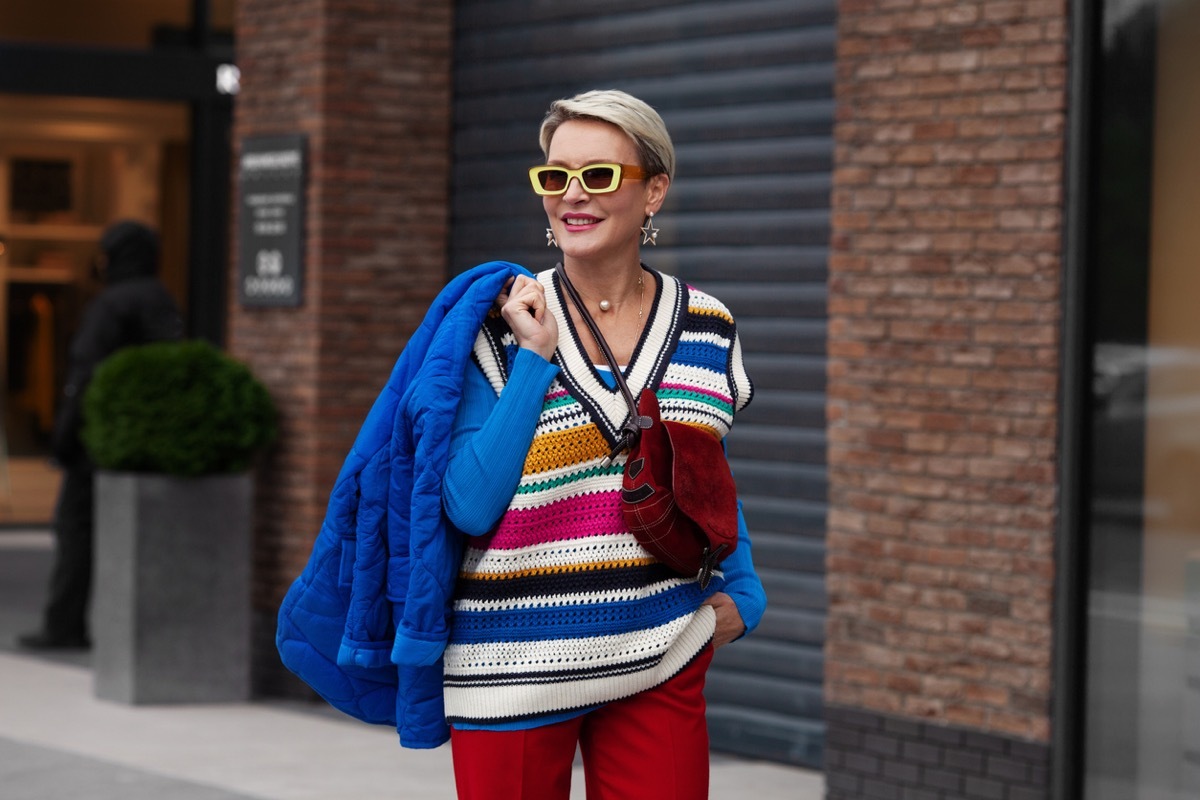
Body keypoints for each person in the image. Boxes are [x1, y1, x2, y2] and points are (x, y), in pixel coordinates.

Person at [437, 89, 766, 799]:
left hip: (660, 649)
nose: (572, 196)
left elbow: (706, 472)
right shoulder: (498, 321)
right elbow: (467, 502)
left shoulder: (708, 325)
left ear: (654, 191)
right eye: (555, 177)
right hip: (513, 663)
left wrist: (745, 592)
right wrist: (534, 359)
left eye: (599, 175)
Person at [18, 220, 183, 650]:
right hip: (144, 443)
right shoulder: (162, 300)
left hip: (97, 444)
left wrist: (63, 438)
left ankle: (63, 627)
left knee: (74, 531)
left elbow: (84, 375)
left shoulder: (112, 304)